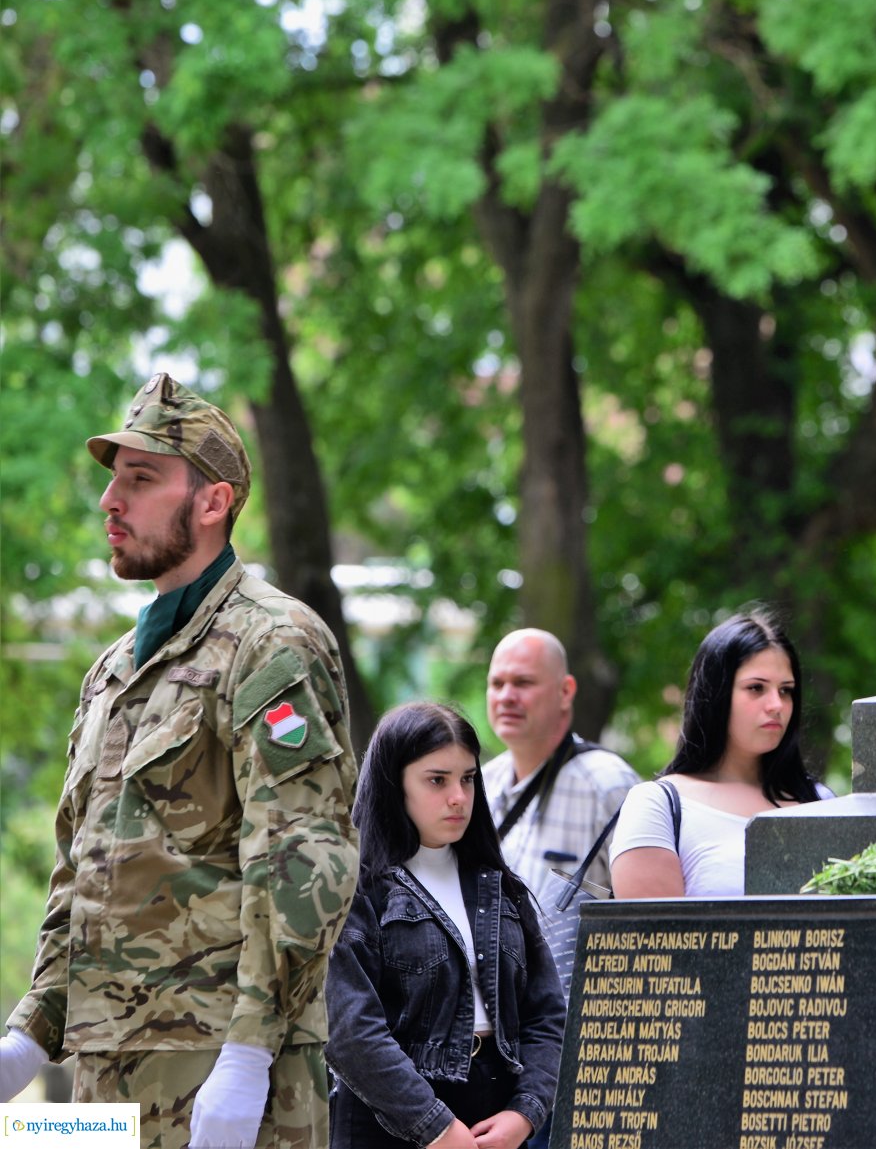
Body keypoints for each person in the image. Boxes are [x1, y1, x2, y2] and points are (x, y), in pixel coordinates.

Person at [0, 373, 359, 1148]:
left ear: (212, 501)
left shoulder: (272, 642)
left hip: (218, 1070)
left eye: (140, 478)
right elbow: (82, 868)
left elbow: (303, 859)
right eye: (113, 480)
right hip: (103, 1065)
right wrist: (31, 1030)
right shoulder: (114, 670)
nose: (110, 501)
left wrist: (250, 1051)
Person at [326, 702, 565, 1149]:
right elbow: (349, 1030)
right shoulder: (356, 888)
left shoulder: (501, 887)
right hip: (386, 1121)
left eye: (468, 779)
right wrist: (433, 1125)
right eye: (437, 780)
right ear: (394, 782)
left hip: (496, 1117)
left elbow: (547, 1014)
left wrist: (525, 1111)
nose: (459, 796)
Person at [610, 612, 830, 898]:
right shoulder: (657, 805)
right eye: (756, 688)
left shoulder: (821, 801)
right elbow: (652, 926)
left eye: (786, 690)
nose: (776, 704)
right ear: (715, 694)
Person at [480, 629, 638, 966]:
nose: (506, 696)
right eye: (497, 683)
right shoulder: (479, 783)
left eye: (523, 682)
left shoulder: (608, 785)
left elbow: (646, 918)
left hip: (574, 994)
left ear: (565, 691)